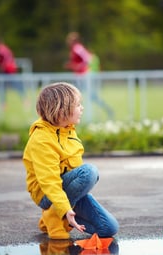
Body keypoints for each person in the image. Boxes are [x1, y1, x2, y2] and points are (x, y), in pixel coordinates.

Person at [23, 82, 119, 239]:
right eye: (78, 105)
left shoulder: (68, 130)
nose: (82, 108)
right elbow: (50, 181)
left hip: (67, 191)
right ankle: (53, 215)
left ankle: (52, 218)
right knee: (89, 172)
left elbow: (73, 169)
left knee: (108, 228)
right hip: (48, 194)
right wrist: (64, 208)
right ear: (62, 111)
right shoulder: (41, 139)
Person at [64, 32, 114, 119]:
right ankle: (71, 116)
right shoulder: (74, 49)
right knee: (74, 96)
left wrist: (77, 67)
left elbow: (88, 59)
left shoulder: (77, 48)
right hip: (80, 77)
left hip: (83, 77)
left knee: (80, 96)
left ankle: (108, 110)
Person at [0, 39, 24, 106]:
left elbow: (0, 59)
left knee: (2, 87)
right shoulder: (7, 49)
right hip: (11, 69)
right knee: (16, 85)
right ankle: (24, 99)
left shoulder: (0, 49)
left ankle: (3, 103)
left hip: (7, 70)